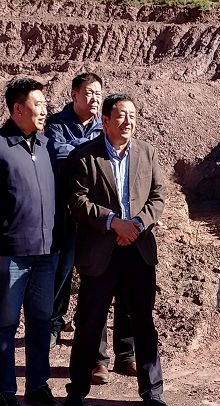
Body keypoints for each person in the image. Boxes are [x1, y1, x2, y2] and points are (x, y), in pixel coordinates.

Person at [62, 93, 167, 406]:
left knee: (143, 322)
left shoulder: (147, 153)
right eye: (121, 115)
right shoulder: (85, 156)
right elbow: (77, 201)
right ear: (105, 121)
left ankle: (153, 392)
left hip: (138, 249)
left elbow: (158, 196)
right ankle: (77, 390)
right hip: (100, 251)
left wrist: (136, 224)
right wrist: (113, 223)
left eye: (132, 115)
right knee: (90, 322)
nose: (127, 122)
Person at [0, 77, 60, 406]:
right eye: (39, 105)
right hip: (11, 253)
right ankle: (5, 391)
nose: (45, 110)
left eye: (45, 104)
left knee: (41, 321)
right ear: (18, 109)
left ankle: (37, 386)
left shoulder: (46, 144)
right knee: (6, 324)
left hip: (46, 252)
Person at [45, 73, 136, 385]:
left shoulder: (113, 131)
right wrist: (95, 148)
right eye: (88, 93)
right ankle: (62, 331)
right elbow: (59, 155)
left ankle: (125, 353)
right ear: (74, 95)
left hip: (112, 221)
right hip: (72, 213)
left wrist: (87, 149)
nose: (94, 98)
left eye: (98, 93)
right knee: (73, 277)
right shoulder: (57, 124)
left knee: (122, 288)